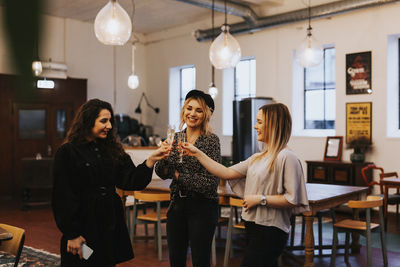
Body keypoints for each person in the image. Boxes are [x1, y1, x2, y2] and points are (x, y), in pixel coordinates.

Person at [182, 103, 309, 267]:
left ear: (274, 125)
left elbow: (292, 199)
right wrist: (197, 153)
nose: (255, 126)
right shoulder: (258, 157)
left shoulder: (287, 157)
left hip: (271, 230)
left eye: (260, 122)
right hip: (253, 226)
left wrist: (260, 199)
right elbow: (225, 172)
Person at [52, 99, 171, 267]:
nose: (108, 125)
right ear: (87, 120)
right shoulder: (68, 151)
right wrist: (72, 234)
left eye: (110, 121)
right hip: (83, 222)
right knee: (82, 260)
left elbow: (130, 180)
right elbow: (62, 196)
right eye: (103, 121)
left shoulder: (113, 149)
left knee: (104, 262)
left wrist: (151, 160)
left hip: (108, 220)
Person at [155, 89, 221, 267]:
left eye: (198, 110)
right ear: (183, 110)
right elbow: (161, 172)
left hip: (203, 207)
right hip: (176, 204)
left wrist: (176, 174)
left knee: (200, 260)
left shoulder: (210, 141)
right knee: (176, 259)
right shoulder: (175, 138)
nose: (192, 114)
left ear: (206, 114)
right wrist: (164, 157)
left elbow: (209, 183)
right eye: (189, 108)